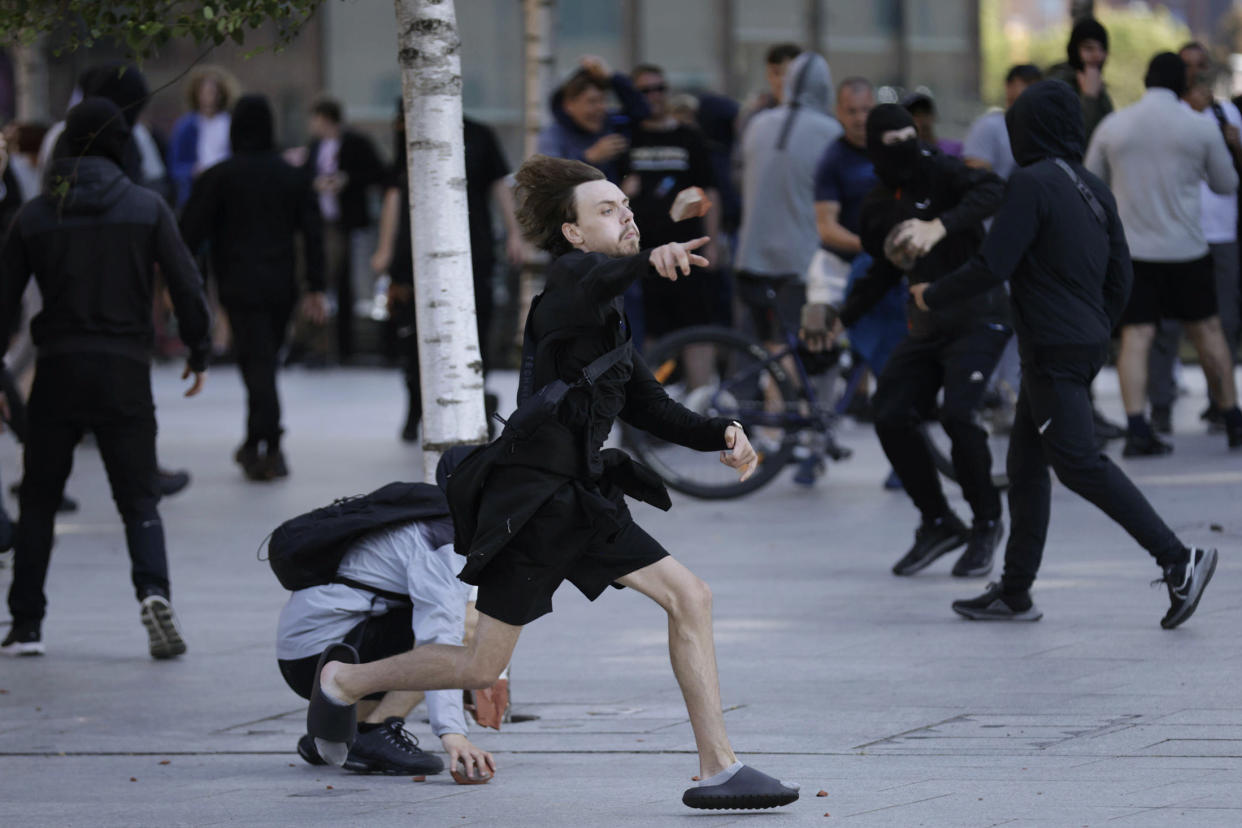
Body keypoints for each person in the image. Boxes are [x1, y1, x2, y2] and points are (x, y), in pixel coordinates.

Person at [303, 155, 801, 811]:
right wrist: (649, 256)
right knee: (481, 664)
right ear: (571, 233)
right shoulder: (568, 285)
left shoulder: (611, 317)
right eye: (606, 210)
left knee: (690, 597)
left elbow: (648, 406)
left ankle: (718, 769)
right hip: (533, 502)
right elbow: (599, 276)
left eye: (626, 207)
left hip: (580, 496)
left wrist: (723, 433)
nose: (624, 216)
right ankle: (343, 681)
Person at [910, 79, 1218, 628]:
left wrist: (930, 294)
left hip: (1053, 347)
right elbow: (1121, 273)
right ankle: (1015, 591)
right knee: (1026, 467)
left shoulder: (1028, 183)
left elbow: (992, 265)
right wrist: (1097, 322)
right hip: (1078, 340)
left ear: (1025, 130)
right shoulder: (1092, 186)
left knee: (1077, 463)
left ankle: (1178, 559)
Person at [0, 98, 212, 659]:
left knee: (40, 498)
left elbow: (3, 305)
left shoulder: (38, 214)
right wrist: (200, 348)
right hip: (124, 370)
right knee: (139, 498)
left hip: (58, 369)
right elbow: (187, 284)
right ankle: (153, 591)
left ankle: (27, 623)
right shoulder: (147, 207)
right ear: (121, 144)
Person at [805, 103, 1009, 579]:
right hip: (927, 322)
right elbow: (881, 271)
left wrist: (939, 225)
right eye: (893, 143)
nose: (906, 150)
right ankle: (938, 521)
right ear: (876, 150)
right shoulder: (877, 204)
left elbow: (995, 190)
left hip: (980, 314)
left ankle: (986, 524)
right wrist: (841, 317)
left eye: (910, 137)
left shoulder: (942, 171)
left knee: (959, 415)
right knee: (891, 410)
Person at [276, 481, 494, 778]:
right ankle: (373, 731)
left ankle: (336, 731)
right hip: (322, 656)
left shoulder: (443, 518)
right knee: (469, 625)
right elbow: (444, 641)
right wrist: (453, 733)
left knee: (461, 615)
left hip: (316, 646)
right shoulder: (444, 544)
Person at [1084, 52, 1242, 454]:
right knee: (1208, 333)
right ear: (1181, 84)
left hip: (1135, 251)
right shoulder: (1199, 128)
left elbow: (1091, 184)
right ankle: (1233, 418)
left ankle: (1137, 428)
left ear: (1145, 80)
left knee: (1136, 338)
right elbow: (1226, 184)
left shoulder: (1114, 126)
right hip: (1188, 247)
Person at [180, 95, 327, 480]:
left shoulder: (218, 177)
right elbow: (313, 234)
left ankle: (269, 444)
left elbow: (188, 234)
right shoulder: (292, 176)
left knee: (256, 361)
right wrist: (316, 284)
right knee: (264, 360)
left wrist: (183, 283)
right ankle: (257, 442)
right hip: (281, 284)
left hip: (236, 282)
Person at [372, 106, 520, 442]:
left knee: (476, 327)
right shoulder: (410, 130)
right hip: (416, 250)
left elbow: (500, 185)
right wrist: (385, 247)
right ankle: (416, 405)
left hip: (474, 248)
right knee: (414, 332)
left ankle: (474, 398)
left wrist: (514, 233)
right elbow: (395, 191)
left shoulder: (480, 134)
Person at [1147, 42, 1242, 435]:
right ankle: (1160, 406)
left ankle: (1221, 403)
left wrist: (1231, 141)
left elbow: (1229, 180)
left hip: (1221, 232)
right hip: (1175, 231)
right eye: (1187, 67)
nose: (1195, 74)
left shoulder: (1226, 114)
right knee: (1163, 327)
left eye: (1202, 66)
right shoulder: (1163, 116)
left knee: (1224, 322)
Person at [735, 51, 841, 348]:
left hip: (751, 258)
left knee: (767, 349)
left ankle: (763, 395)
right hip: (800, 261)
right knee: (798, 348)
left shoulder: (757, 125)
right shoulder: (830, 132)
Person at [620, 64, 721, 347]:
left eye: (660, 88)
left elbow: (709, 189)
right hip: (643, 250)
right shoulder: (626, 138)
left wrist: (713, 241)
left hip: (687, 247)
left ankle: (700, 391)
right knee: (648, 331)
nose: (654, 95)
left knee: (697, 326)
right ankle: (652, 391)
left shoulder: (689, 137)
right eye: (646, 90)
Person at [299, 97, 386, 365]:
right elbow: (305, 177)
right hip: (321, 221)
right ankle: (320, 345)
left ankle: (342, 346)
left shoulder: (356, 143)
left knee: (340, 282)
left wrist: (346, 180)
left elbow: (377, 172)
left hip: (347, 223)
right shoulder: (315, 147)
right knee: (322, 281)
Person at [536, 55, 650, 185]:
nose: (600, 108)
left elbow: (642, 111)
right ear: (569, 105)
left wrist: (612, 77)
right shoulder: (553, 135)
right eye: (592, 101)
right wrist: (589, 158)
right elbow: (549, 179)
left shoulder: (612, 123)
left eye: (603, 100)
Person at [168, 65, 238, 207]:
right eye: (205, 92)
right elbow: (175, 164)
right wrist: (192, 171)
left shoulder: (230, 123)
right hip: (196, 192)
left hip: (226, 190)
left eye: (213, 92)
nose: (209, 97)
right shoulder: (186, 126)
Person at [963, 65, 1043, 180]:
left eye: (1035, 85)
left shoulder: (1041, 129)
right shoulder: (988, 126)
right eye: (1026, 83)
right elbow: (976, 178)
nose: (1030, 90)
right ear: (1008, 86)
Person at [1047, 17, 1113, 142]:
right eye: (1089, 49)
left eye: (1102, 49)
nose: (1097, 55)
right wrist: (1089, 97)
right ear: (1074, 50)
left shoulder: (1098, 86)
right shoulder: (1057, 86)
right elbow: (1076, 139)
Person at [903, 92, 961, 157]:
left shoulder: (955, 149)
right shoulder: (904, 153)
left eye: (925, 112)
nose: (922, 118)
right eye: (916, 114)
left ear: (934, 116)